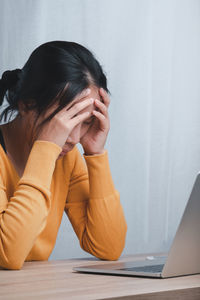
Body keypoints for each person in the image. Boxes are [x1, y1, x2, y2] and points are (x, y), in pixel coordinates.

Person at [0, 41, 127, 270]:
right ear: (27, 105)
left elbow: (109, 246)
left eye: (86, 122)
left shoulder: (67, 158)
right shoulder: (51, 153)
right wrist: (46, 149)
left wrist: (95, 154)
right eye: (66, 121)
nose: (75, 138)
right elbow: (7, 254)